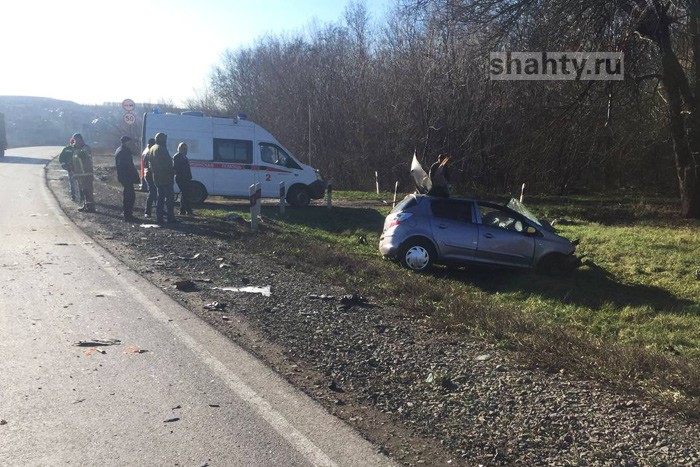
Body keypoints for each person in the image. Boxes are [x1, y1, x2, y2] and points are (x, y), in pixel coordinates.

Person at [147, 132, 176, 224]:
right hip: (165, 178)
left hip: (157, 177)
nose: (166, 141)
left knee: (160, 198)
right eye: (165, 139)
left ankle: (159, 218)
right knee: (169, 199)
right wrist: (172, 171)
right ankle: (170, 218)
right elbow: (166, 164)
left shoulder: (152, 148)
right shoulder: (161, 149)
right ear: (162, 139)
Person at [115, 136, 140, 222]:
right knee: (129, 196)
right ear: (126, 142)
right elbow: (126, 165)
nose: (132, 144)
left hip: (124, 176)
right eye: (130, 142)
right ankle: (128, 215)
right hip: (126, 177)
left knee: (129, 195)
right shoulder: (124, 151)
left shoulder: (120, 149)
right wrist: (133, 174)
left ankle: (127, 213)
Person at [71, 133, 95, 212]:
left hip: (86, 173)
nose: (75, 141)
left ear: (80, 139)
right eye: (74, 140)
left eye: (76, 139)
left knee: (88, 190)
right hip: (79, 173)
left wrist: (76, 149)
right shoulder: (75, 149)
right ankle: (84, 205)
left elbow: (84, 156)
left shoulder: (86, 148)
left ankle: (91, 207)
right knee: (82, 190)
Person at [173, 142, 194, 216]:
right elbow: (176, 168)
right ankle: (188, 210)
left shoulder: (185, 157)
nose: (185, 150)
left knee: (184, 194)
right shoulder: (177, 156)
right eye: (183, 148)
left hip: (186, 178)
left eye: (186, 148)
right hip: (180, 178)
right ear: (180, 148)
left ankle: (182, 211)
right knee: (185, 194)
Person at [58, 137, 79, 201]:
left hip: (78, 169)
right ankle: (75, 196)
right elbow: (61, 158)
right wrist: (65, 166)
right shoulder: (68, 149)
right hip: (72, 169)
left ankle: (78, 196)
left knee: (75, 183)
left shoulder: (79, 149)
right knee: (73, 182)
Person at [142, 138, 157, 217]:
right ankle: (147, 211)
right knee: (152, 192)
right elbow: (150, 164)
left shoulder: (146, 150)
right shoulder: (149, 152)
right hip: (150, 174)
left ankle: (158, 209)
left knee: (153, 192)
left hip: (147, 173)